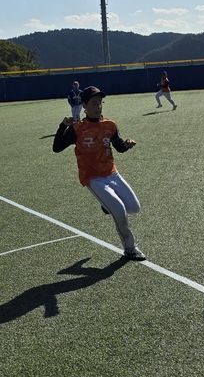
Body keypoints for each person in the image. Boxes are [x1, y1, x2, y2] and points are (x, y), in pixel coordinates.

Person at [52, 86, 146, 261]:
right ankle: (130, 248)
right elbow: (56, 148)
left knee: (134, 207)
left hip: (112, 174)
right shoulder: (77, 128)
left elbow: (118, 147)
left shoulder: (110, 125)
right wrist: (62, 126)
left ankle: (106, 205)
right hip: (93, 178)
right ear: (85, 106)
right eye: (94, 103)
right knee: (119, 210)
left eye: (100, 102)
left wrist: (127, 144)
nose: (98, 106)